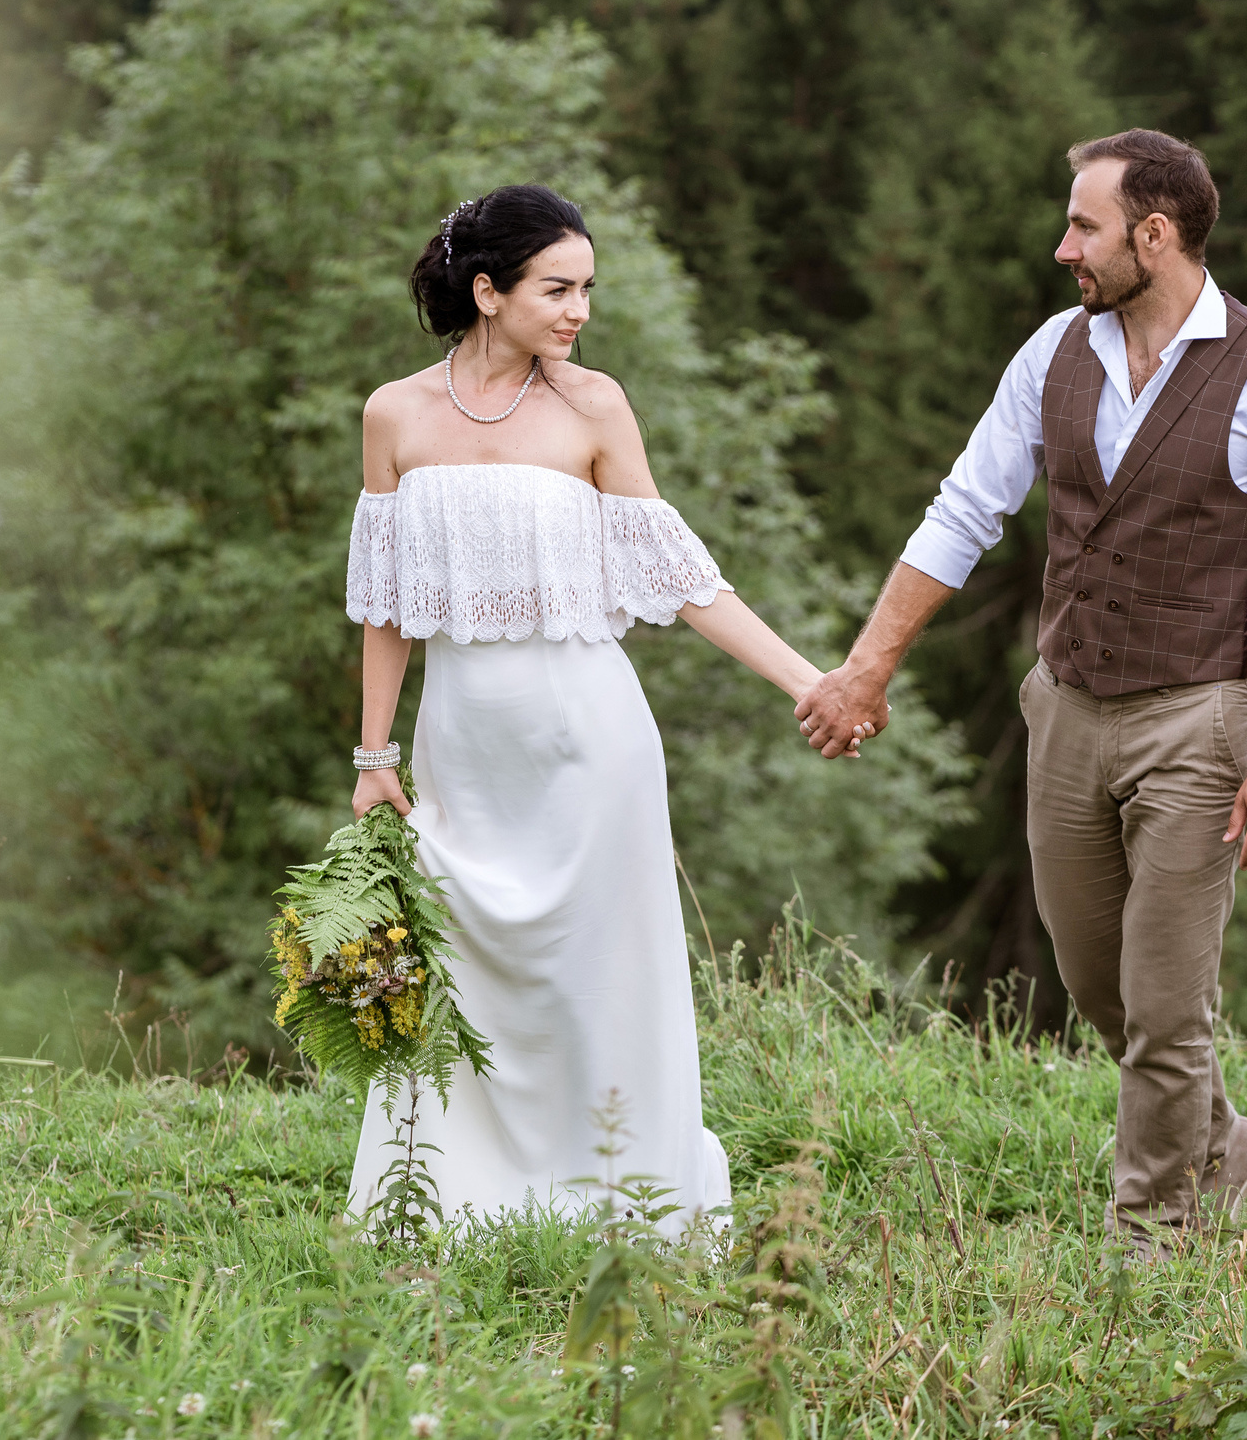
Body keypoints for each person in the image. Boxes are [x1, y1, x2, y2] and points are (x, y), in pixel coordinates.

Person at [796, 130, 1247, 1257]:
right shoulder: (1055, 349)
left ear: (1156, 233)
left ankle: (1153, 1237)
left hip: (1199, 717)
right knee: (1102, 984)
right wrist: (866, 666)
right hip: (1066, 706)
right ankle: (1227, 1143)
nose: (1063, 248)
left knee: (1165, 1005)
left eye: (1084, 226)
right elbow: (964, 509)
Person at [342, 183, 863, 1232]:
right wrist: (373, 755)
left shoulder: (594, 407)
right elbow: (385, 605)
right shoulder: (393, 414)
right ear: (487, 291)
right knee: (465, 968)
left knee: (602, 971)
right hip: (462, 747)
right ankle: (452, 1198)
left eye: (587, 288)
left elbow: (682, 576)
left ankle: (627, 1196)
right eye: (557, 288)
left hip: (590, 736)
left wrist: (809, 679)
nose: (579, 310)